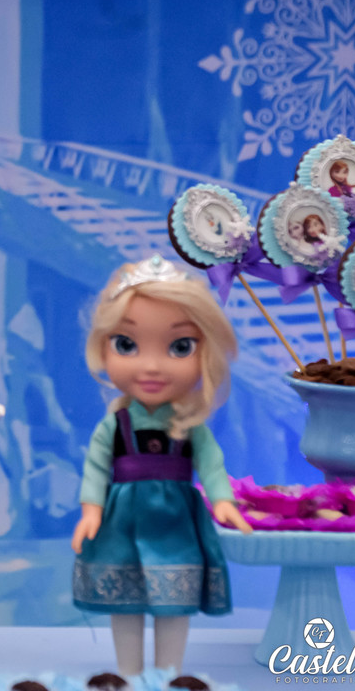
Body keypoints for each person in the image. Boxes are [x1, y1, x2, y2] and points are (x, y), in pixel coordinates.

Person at [71, 255, 251, 676]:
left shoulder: (189, 426)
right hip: (121, 522)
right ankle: (128, 675)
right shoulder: (115, 424)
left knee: (175, 603)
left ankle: (169, 674)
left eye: (180, 347)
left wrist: (222, 501)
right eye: (127, 344)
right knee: (125, 602)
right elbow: (96, 467)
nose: (151, 366)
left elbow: (211, 464)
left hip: (175, 523)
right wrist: (91, 510)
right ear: (103, 347)